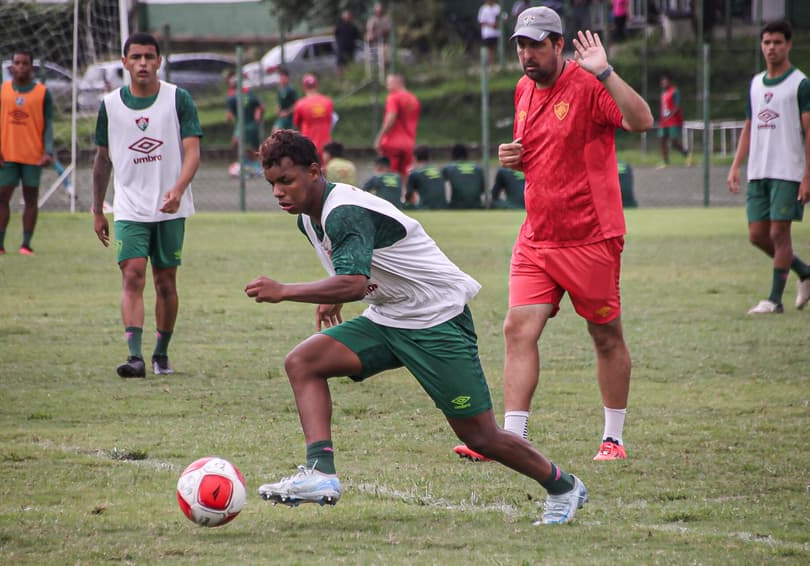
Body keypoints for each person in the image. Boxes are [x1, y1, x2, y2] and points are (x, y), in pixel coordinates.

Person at [246, 128, 589, 525]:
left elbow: (355, 282)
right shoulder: (309, 218)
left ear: (313, 171)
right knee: (303, 362)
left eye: (286, 181)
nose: (278, 193)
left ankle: (564, 486)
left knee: (480, 436)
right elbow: (358, 268)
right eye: (271, 184)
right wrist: (334, 292)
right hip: (390, 316)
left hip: (435, 319)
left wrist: (285, 290)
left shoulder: (343, 210)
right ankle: (321, 473)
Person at [454, 7, 653, 463]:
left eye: (536, 45)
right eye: (521, 45)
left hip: (590, 237)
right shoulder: (523, 89)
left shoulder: (589, 85)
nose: (527, 54)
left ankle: (614, 439)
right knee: (517, 328)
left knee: (605, 335)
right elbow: (543, 150)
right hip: (537, 237)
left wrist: (605, 71)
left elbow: (642, 122)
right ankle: (510, 439)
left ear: (559, 45)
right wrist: (514, 157)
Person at [91, 32, 202, 378]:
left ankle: (161, 354)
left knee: (165, 283)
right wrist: (97, 210)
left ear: (158, 61)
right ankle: (135, 357)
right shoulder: (110, 105)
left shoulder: (177, 99)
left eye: (148, 57)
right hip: (128, 209)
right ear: (124, 62)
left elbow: (193, 152)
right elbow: (101, 161)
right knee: (132, 275)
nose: (142, 63)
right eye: (135, 57)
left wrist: (178, 189)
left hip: (171, 209)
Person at [728, 20, 810, 315]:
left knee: (779, 233)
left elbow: (808, 131)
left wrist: (807, 174)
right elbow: (750, 127)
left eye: (777, 42)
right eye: (767, 42)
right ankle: (805, 272)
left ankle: (774, 300)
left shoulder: (800, 84)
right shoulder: (756, 83)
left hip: (788, 171)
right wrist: (736, 165)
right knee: (757, 235)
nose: (771, 47)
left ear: (788, 44)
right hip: (758, 171)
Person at [0, 49, 54, 256]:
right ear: (11, 66)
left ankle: (26, 244)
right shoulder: (2, 91)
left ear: (31, 67)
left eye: (25, 63)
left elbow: (48, 124)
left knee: (30, 199)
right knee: (2, 197)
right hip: (7, 155)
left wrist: (48, 150)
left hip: (33, 155)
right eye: (17, 63)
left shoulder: (42, 92)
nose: (21, 67)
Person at [374, 73, 420, 182]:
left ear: (398, 83)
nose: (387, 86)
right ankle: (407, 197)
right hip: (409, 144)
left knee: (388, 177)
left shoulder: (393, 97)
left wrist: (379, 138)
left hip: (392, 144)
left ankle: (390, 198)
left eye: (389, 83)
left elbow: (391, 118)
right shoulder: (414, 99)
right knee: (405, 176)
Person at [293, 73, 334, 159]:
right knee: (324, 170)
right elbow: (331, 121)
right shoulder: (328, 102)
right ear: (317, 85)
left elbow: (297, 124)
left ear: (304, 87)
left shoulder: (300, 104)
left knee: (310, 170)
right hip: (326, 146)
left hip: (309, 146)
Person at [226, 83, 263, 177]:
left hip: (246, 125)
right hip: (247, 125)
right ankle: (245, 164)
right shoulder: (248, 96)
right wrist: (257, 115)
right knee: (241, 144)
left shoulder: (232, 98)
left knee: (243, 145)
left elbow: (229, 116)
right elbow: (260, 108)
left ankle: (253, 166)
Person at [657, 72, 691, 168]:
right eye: (662, 81)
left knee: (673, 142)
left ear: (669, 81)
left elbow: (676, 106)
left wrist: (670, 115)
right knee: (662, 140)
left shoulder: (674, 91)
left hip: (673, 121)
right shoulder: (663, 94)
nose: (663, 82)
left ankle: (687, 154)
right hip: (664, 121)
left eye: (665, 81)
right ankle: (665, 161)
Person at [442, 143, 485, 209]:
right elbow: (483, 190)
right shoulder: (478, 168)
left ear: (453, 155)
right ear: (466, 154)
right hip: (477, 206)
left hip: (456, 207)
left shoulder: (448, 168)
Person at [405, 144, 447, 210]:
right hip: (444, 208)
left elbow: (408, 197)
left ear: (414, 158)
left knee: (406, 205)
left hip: (426, 209)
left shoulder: (415, 173)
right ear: (429, 157)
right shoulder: (439, 171)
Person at [334, 10, 362, 78]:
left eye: (348, 16)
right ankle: (339, 80)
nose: (347, 18)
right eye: (346, 16)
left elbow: (358, 36)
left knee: (349, 68)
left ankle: (349, 81)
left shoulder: (353, 27)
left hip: (350, 51)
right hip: (341, 51)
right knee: (340, 67)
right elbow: (336, 35)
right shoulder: (339, 26)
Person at [478, 0, 503, 66]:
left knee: (496, 48)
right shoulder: (483, 9)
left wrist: (498, 23)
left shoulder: (498, 7)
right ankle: (489, 65)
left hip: (497, 33)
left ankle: (497, 64)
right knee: (489, 50)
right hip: (487, 34)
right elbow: (481, 21)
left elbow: (504, 17)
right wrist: (491, 25)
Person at [272, 67, 297, 132]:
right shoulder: (279, 90)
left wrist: (287, 112)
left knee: (282, 133)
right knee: (275, 132)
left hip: (290, 118)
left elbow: (296, 105)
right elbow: (280, 103)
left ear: (287, 78)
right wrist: (278, 108)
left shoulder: (291, 90)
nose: (281, 80)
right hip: (281, 117)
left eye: (283, 78)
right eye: (280, 78)